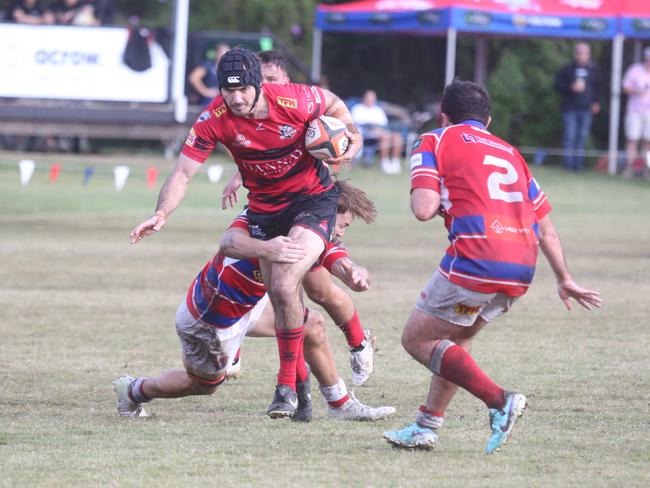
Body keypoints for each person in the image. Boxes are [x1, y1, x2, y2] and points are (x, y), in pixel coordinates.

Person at [129, 47, 361, 420]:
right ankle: (302, 387)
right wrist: (161, 212)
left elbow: (334, 104)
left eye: (243, 90)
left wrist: (353, 136)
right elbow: (183, 173)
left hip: (312, 200)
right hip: (265, 211)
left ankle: (291, 389)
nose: (235, 99)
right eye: (227, 91)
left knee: (287, 285)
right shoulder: (214, 118)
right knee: (277, 301)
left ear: (259, 85)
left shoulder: (295, 98)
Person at [383, 80, 602, 453]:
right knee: (457, 341)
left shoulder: (433, 140)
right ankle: (426, 426)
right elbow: (545, 227)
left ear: (444, 115)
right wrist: (564, 278)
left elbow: (423, 209)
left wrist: (441, 197)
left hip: (476, 259)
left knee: (416, 340)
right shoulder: (510, 151)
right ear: (488, 119)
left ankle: (501, 401)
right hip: (519, 268)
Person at [114, 182, 395, 423]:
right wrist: (268, 249)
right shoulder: (261, 218)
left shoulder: (308, 231)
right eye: (342, 224)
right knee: (204, 384)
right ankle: (133, 390)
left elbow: (340, 262)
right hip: (211, 318)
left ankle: (340, 404)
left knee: (313, 325)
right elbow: (229, 243)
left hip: (251, 308)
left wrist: (357, 272)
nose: (341, 232)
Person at [221, 50, 376, 386]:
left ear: (286, 82)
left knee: (316, 290)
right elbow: (256, 148)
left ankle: (358, 342)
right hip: (269, 205)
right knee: (277, 286)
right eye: (256, 81)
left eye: (270, 80)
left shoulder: (302, 106)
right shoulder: (248, 107)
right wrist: (239, 174)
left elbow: (330, 131)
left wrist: (349, 137)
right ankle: (294, 381)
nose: (261, 87)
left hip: (307, 204)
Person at [554, 42, 601, 171]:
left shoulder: (593, 70)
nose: (582, 56)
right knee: (570, 136)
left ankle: (578, 166)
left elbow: (598, 88)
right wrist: (570, 87)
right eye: (580, 53)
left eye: (585, 53)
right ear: (576, 54)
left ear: (589, 55)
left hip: (586, 110)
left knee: (582, 138)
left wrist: (596, 102)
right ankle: (568, 165)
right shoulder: (567, 69)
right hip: (570, 109)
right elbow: (557, 86)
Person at [350, 89, 404, 175]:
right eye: (369, 98)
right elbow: (355, 124)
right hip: (365, 133)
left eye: (373, 98)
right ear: (364, 98)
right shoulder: (357, 109)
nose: (371, 100)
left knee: (397, 137)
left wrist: (379, 130)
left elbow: (384, 125)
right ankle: (384, 162)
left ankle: (395, 163)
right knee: (385, 137)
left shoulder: (378, 110)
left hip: (380, 131)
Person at [621, 46, 650, 179]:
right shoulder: (635, 70)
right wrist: (637, 91)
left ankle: (647, 169)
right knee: (632, 139)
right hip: (634, 111)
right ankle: (629, 167)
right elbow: (625, 87)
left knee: (647, 141)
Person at [187, 42, 231, 107]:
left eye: (226, 53)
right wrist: (205, 91)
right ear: (216, 53)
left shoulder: (232, 68)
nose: (223, 55)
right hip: (210, 101)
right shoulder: (209, 65)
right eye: (221, 52)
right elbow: (193, 77)